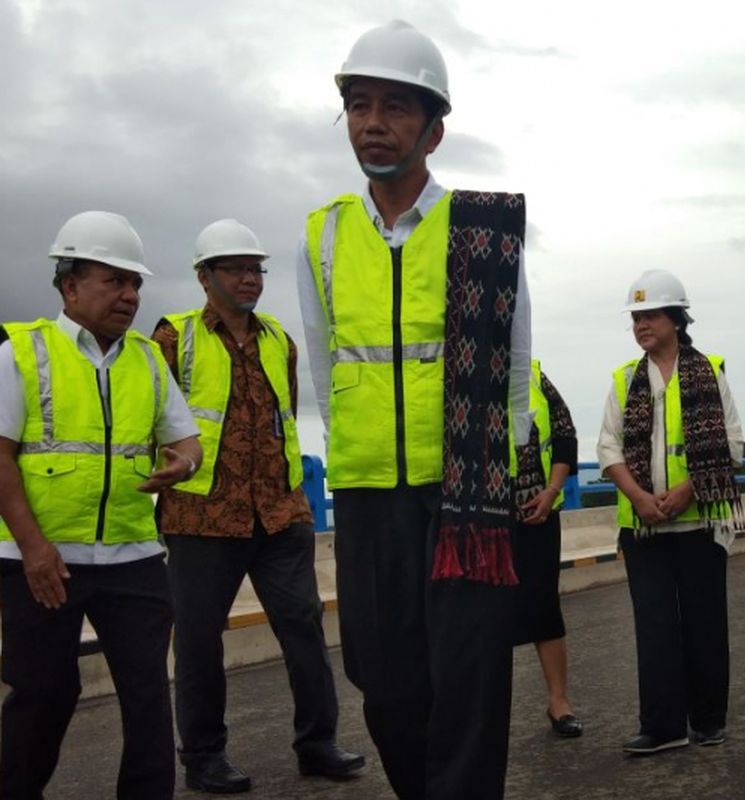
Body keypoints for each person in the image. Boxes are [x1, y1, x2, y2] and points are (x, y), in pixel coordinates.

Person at [296, 20, 531, 800]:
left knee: (468, 678)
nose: (373, 123)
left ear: (434, 130)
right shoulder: (323, 235)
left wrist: (507, 473)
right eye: (359, 105)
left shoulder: (482, 227)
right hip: (368, 492)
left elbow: (513, 363)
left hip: (462, 492)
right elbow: (327, 364)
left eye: (395, 108)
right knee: (382, 677)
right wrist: (351, 449)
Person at [153, 219, 364, 793]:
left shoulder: (279, 340)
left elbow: (283, 421)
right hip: (202, 517)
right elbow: (154, 420)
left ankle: (317, 743)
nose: (250, 279)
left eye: (256, 269)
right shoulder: (173, 338)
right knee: (198, 640)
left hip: (279, 513)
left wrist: (294, 494)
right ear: (204, 276)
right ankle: (202, 756)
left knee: (304, 629)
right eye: (236, 269)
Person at [0, 211, 202, 799]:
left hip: (133, 556)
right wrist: (35, 550)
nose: (130, 294)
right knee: (43, 694)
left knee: (147, 695)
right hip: (41, 559)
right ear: (69, 285)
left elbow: (185, 439)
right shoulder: (20, 352)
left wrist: (182, 463)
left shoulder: (146, 359)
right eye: (114, 280)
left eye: (134, 282)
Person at [597, 269, 744, 755]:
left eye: (650, 315)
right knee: (655, 624)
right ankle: (662, 725)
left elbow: (732, 446)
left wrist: (690, 490)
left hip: (700, 519)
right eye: (636, 317)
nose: (641, 325)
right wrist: (639, 497)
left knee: (704, 620)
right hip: (642, 526)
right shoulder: (623, 380)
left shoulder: (710, 370)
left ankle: (708, 719)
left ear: (676, 319)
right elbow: (608, 449)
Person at [511, 359, 582, 738]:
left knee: (542, 604)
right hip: (477, 520)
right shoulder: (454, 372)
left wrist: (551, 491)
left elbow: (565, 438)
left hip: (536, 510)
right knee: (480, 615)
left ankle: (559, 702)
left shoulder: (533, 373)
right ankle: (484, 708)